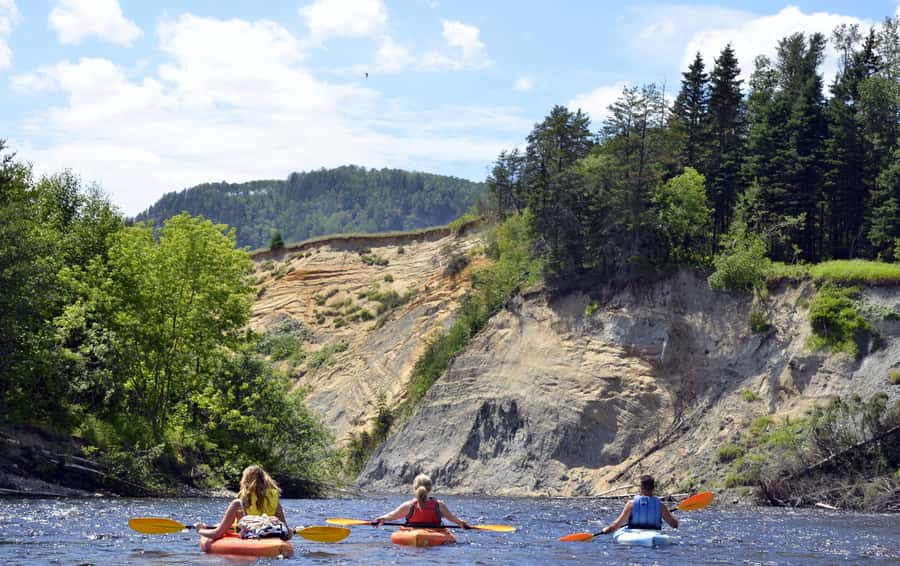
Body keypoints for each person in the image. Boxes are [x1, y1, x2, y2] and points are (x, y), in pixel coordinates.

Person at [194, 465, 292, 541]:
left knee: (221, 526)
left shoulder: (238, 504)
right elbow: (288, 534)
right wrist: (290, 531)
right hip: (270, 536)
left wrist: (201, 530)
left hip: (250, 537)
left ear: (245, 480)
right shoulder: (274, 501)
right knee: (222, 525)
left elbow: (216, 534)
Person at [373, 473, 471, 529]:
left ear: (415, 488)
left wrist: (383, 518)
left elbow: (392, 516)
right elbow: (452, 518)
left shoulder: (408, 505)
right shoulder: (439, 505)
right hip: (435, 533)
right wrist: (461, 523)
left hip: (412, 532)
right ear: (430, 489)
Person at [600, 475, 678, 534]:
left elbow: (616, 525)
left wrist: (606, 530)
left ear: (641, 487)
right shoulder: (660, 506)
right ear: (653, 488)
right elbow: (674, 525)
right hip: (655, 534)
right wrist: (670, 515)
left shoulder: (631, 504)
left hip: (634, 534)